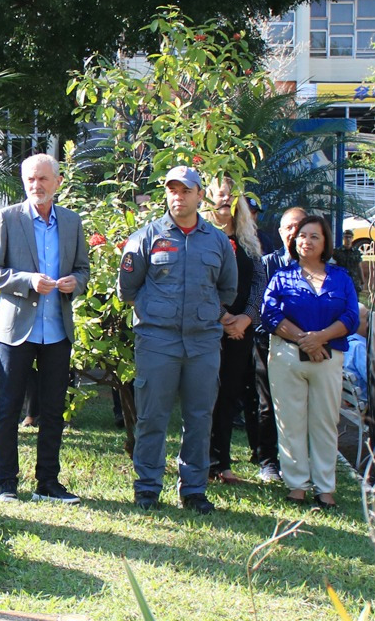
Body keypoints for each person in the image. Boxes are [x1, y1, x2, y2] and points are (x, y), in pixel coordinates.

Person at [120, 166, 237, 514]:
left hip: (202, 343)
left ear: (200, 195)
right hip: (157, 340)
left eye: (185, 190)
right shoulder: (147, 236)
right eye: (172, 190)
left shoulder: (217, 240)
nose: (178, 197)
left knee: (200, 417)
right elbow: (127, 288)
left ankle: (194, 490)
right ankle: (147, 489)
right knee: (152, 417)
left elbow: (227, 289)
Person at [0, 153, 90, 504]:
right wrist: (27, 279)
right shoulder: (7, 218)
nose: (36, 185)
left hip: (57, 327)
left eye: (43, 179)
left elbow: (84, 269)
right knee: (10, 407)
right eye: (30, 179)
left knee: (53, 408)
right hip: (17, 329)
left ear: (58, 182)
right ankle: (6, 484)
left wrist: (77, 282)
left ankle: (48, 483)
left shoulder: (72, 222)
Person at [261, 215, 358, 509]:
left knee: (325, 423)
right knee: (290, 422)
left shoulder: (341, 278)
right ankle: (296, 486)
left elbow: (351, 317)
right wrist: (306, 339)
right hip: (286, 357)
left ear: (326, 242)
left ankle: (325, 489)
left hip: (328, 357)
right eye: (302, 236)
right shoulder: (281, 277)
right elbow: (270, 315)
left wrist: (321, 339)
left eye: (314, 236)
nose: (306, 241)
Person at [202, 178, 265, 485]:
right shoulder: (202, 238)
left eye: (230, 195)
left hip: (242, 331)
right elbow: (200, 284)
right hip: (208, 329)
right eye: (219, 194)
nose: (225, 199)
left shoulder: (248, 239)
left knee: (229, 397)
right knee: (204, 396)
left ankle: (222, 464)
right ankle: (201, 462)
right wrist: (224, 317)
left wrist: (245, 319)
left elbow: (258, 284)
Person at [249, 206, 307, 483]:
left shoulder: (320, 268)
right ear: (281, 232)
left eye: (300, 227)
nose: (294, 233)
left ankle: (301, 462)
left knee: (305, 406)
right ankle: (268, 461)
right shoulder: (268, 263)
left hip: (311, 346)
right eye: (289, 227)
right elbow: (263, 308)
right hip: (269, 343)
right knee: (268, 405)